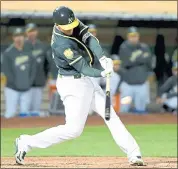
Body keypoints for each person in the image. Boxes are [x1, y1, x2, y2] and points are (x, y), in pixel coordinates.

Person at [15, 6, 144, 166]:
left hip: (86, 80)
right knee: (73, 130)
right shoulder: (61, 44)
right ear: (58, 25)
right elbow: (83, 67)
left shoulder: (71, 22)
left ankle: (134, 153)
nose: (71, 30)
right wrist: (102, 73)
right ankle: (26, 142)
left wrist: (103, 58)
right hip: (72, 85)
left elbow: (90, 39)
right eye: (67, 28)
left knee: (110, 115)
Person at [2, 28, 36, 118]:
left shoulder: (29, 52)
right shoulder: (8, 53)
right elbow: (6, 71)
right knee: (10, 113)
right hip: (12, 89)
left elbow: (33, 69)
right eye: (16, 36)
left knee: (25, 114)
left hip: (26, 88)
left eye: (21, 36)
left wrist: (29, 82)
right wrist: (17, 84)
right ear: (13, 38)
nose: (19, 38)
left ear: (24, 38)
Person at [119, 26, 152, 113]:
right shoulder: (123, 47)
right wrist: (141, 58)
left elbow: (149, 62)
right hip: (128, 85)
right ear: (128, 36)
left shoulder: (144, 47)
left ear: (138, 36)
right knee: (124, 110)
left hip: (142, 84)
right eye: (131, 36)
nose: (133, 38)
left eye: (135, 35)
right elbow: (126, 62)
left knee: (141, 110)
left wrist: (134, 58)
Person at [25, 23, 50, 114]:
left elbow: (46, 64)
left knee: (36, 109)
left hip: (38, 81)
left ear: (36, 32)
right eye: (29, 31)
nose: (32, 33)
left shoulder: (42, 46)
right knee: (25, 109)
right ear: (26, 33)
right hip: (25, 83)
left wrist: (45, 78)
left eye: (33, 31)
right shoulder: (22, 46)